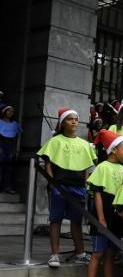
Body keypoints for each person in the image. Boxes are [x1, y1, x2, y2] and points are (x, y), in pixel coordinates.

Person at [37, 108, 97, 268]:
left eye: (76, 119)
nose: (74, 122)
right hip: (59, 186)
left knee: (76, 221)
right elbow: (48, 162)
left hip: (78, 187)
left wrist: (86, 184)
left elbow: (86, 167)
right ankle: (54, 255)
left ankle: (80, 253)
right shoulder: (55, 141)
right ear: (62, 123)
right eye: (70, 119)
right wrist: (51, 182)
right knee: (55, 220)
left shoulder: (85, 144)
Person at [83, 130, 123, 277]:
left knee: (110, 253)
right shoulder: (102, 167)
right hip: (103, 215)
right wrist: (101, 218)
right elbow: (98, 194)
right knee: (98, 253)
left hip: (116, 216)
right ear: (113, 150)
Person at [0, 103, 22, 193]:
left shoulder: (15, 124)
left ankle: (7, 187)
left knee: (9, 168)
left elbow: (18, 138)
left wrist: (16, 150)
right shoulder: (0, 122)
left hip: (10, 147)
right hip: (1, 145)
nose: (10, 113)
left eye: (12, 111)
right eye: (8, 110)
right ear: (4, 111)